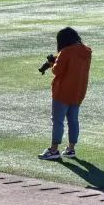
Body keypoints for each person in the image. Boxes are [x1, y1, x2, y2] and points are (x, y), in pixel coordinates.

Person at [38, 27, 92, 160]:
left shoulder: (65, 52)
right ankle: (71, 149)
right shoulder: (86, 51)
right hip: (78, 91)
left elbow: (57, 70)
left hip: (62, 92)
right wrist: (57, 59)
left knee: (58, 121)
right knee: (73, 121)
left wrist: (53, 63)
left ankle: (53, 150)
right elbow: (74, 62)